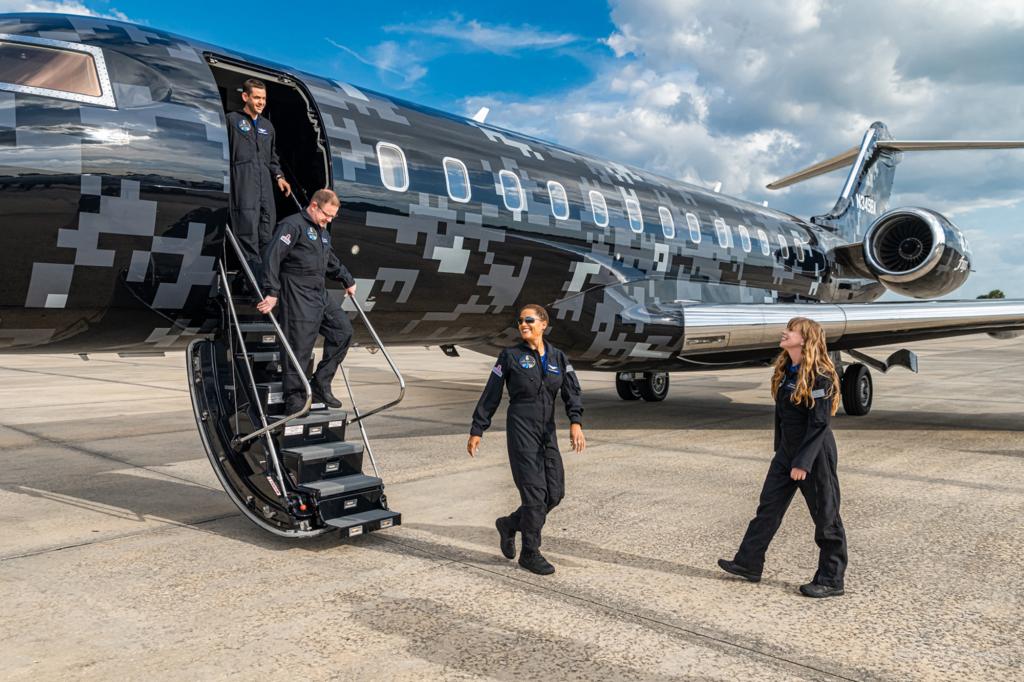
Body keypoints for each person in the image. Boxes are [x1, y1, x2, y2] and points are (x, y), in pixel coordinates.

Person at [717, 316, 848, 598]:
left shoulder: (820, 376)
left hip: (814, 456)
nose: (784, 333)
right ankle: (748, 562)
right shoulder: (787, 370)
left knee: (826, 516)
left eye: (791, 331)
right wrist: (783, 453)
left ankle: (831, 579)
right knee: (768, 508)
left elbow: (819, 424)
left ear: (805, 339)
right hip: (787, 452)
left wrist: (803, 462)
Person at [467, 304, 586, 575]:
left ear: (543, 323)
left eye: (529, 320)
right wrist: (478, 429)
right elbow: (491, 393)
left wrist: (576, 422)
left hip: (547, 432)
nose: (523, 324)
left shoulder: (558, 357)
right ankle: (530, 552)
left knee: (554, 494)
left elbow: (572, 391)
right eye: (520, 321)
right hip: (521, 429)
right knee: (534, 496)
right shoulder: (509, 356)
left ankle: (509, 524)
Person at [257, 189, 354, 414]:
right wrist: (272, 292)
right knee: (299, 346)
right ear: (313, 206)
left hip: (318, 290)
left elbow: (329, 259)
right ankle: (295, 400)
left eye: (333, 217)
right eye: (326, 215)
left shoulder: (322, 232)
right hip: (297, 290)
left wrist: (347, 279)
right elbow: (272, 257)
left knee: (343, 331)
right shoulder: (292, 226)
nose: (329, 220)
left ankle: (320, 382)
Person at [227, 78, 292, 265]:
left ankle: (262, 279)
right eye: (257, 98)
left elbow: (272, 158)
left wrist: (279, 176)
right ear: (245, 96)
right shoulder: (232, 120)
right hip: (243, 185)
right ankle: (255, 284)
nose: (261, 102)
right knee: (247, 234)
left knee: (267, 234)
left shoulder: (267, 127)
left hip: (265, 189)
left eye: (263, 98)